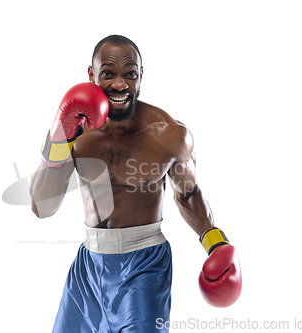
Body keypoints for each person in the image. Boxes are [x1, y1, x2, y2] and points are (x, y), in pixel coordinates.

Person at [30, 35, 242, 333]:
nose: (119, 85)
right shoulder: (74, 128)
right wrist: (59, 136)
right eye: (108, 74)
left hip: (144, 266)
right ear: (91, 75)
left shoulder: (168, 134)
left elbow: (188, 194)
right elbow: (42, 206)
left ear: (141, 76)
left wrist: (215, 242)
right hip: (87, 267)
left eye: (130, 74)